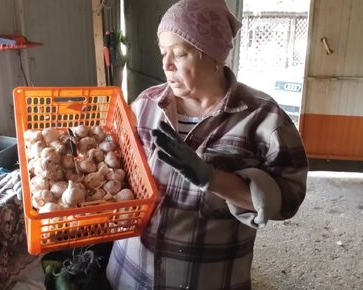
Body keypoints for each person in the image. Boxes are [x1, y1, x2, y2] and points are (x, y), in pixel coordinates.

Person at [106, 0, 308, 289]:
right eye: (163, 52)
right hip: (131, 273)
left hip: (206, 276)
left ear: (215, 56)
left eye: (180, 53)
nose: (166, 64)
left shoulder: (262, 118)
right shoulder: (145, 106)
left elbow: (286, 202)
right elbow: (117, 171)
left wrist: (212, 178)